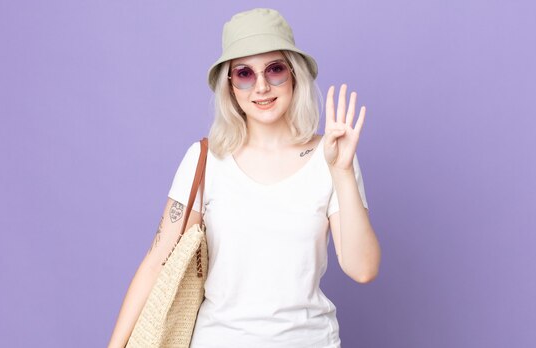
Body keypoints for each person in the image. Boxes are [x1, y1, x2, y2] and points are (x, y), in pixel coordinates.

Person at [108, 8, 381, 348]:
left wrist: (341, 173)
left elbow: (363, 269)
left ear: (294, 75)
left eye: (275, 69)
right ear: (230, 85)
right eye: (244, 74)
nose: (262, 86)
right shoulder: (205, 161)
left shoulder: (333, 157)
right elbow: (155, 263)